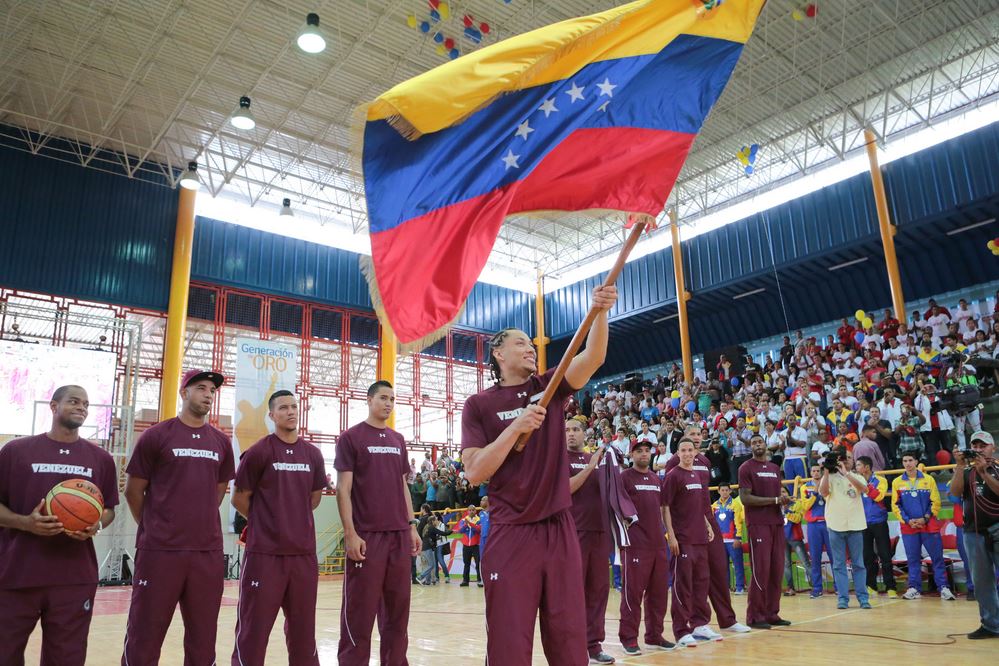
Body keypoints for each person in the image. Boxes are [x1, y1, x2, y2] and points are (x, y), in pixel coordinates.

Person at [460, 285, 616, 666]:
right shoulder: (479, 405)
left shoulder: (548, 387)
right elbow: (476, 471)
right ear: (498, 353)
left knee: (568, 638)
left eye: (531, 343)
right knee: (509, 643)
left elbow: (593, 356)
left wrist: (600, 312)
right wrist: (516, 428)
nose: (530, 348)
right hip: (512, 531)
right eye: (520, 343)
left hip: (560, 528)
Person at [122, 369, 235, 666]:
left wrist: (197, 519)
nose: (208, 394)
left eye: (212, 390)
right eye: (200, 388)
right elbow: (134, 491)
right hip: (160, 551)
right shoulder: (156, 436)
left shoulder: (221, 443)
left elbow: (219, 490)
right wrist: (153, 526)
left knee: (202, 637)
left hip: (206, 551)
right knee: (145, 634)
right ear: (184, 392)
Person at [0, 385, 118, 666]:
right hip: (17, 573)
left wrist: (95, 524)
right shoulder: (15, 451)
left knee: (66, 659)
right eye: (74, 401)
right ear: (53, 407)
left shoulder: (101, 459)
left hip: (74, 577)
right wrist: (26, 523)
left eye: (86, 404)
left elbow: (109, 510)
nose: (81, 408)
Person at [230, 390, 326, 665]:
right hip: (264, 555)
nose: (291, 411)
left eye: (294, 406)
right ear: (271, 415)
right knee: (253, 630)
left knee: (303, 634)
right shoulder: (259, 452)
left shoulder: (313, 454)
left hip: (303, 556)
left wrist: (290, 517)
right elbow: (239, 498)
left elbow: (314, 499)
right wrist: (267, 520)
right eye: (283, 408)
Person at [335, 380, 421, 665]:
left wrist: (411, 525)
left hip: (398, 536)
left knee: (397, 615)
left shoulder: (398, 440)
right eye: (383, 398)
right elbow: (343, 489)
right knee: (359, 615)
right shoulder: (351, 438)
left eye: (392, 399)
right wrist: (350, 533)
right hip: (367, 538)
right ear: (369, 400)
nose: (388, 403)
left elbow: (403, 486)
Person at [619, 440, 674, 655]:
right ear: (631, 454)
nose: (644, 454)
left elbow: (664, 509)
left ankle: (654, 635)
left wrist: (670, 535)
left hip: (658, 544)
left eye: (646, 451)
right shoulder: (624, 478)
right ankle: (629, 639)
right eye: (639, 451)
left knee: (659, 593)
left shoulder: (655, 478)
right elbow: (616, 507)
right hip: (636, 545)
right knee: (632, 594)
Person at [566, 419, 614, 664]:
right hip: (573, 533)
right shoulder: (558, 459)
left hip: (600, 532)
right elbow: (565, 489)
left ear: (585, 434)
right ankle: (572, 647)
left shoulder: (597, 460)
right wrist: (591, 466)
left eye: (575, 429)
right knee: (573, 593)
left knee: (598, 591)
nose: (571, 434)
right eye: (567, 430)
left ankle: (593, 646)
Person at [662, 439, 715, 648]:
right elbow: (664, 507)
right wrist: (671, 536)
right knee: (682, 586)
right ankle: (681, 630)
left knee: (701, 582)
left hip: (700, 538)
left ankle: (699, 624)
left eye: (690, 450)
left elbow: (700, 506)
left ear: (696, 452)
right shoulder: (673, 475)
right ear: (677, 453)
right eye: (683, 450)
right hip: (682, 539)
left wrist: (707, 525)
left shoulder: (699, 475)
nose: (686, 453)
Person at [739, 434, 792, 629]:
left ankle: (772, 613)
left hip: (776, 523)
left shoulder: (774, 468)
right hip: (758, 524)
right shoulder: (745, 468)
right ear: (750, 447)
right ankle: (755, 616)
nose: (757, 445)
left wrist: (783, 500)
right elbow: (746, 499)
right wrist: (775, 501)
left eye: (759, 441)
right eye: (753, 443)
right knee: (760, 570)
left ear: (765, 444)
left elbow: (777, 495)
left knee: (776, 570)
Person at [950, 432, 999, 639]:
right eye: (975, 445)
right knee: (981, 582)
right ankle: (991, 625)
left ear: (992, 448)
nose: (979, 449)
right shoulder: (966, 471)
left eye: (983, 445)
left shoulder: (996, 468)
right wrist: (960, 466)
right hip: (973, 532)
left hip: (997, 529)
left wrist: (985, 474)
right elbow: (954, 492)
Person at [891, 453, 955, 600]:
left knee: (936, 558)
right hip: (909, 527)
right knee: (912, 560)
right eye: (905, 461)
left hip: (929, 525)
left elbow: (935, 502)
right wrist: (908, 521)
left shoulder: (929, 479)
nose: (907, 463)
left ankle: (943, 588)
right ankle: (914, 588)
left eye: (910, 460)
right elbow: (895, 505)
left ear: (916, 462)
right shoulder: (897, 482)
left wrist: (925, 518)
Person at [818, 451, 870, 609]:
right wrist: (826, 471)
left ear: (852, 461)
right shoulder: (829, 477)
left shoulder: (857, 476)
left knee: (859, 564)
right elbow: (824, 492)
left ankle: (863, 598)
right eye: (842, 459)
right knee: (839, 565)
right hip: (835, 526)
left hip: (855, 525)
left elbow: (864, 489)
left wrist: (846, 473)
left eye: (848, 459)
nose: (845, 461)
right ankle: (842, 599)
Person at [855, 456, 895, 597]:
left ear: (866, 467)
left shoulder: (881, 480)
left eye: (859, 465)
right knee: (867, 556)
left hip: (879, 521)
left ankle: (890, 587)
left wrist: (864, 488)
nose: (856, 468)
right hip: (863, 523)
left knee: (885, 555)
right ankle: (871, 585)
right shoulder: (855, 481)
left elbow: (878, 496)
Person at [712, 484, 745, 595]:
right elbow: (712, 524)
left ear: (730, 491)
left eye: (727, 490)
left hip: (732, 540)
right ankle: (725, 587)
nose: (725, 492)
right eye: (722, 490)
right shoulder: (714, 506)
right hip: (720, 541)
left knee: (737, 564)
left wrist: (738, 537)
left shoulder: (735, 504)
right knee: (722, 565)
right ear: (718, 491)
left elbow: (738, 522)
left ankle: (740, 587)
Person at [781, 487, 810, 596]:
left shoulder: (796, 504)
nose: (782, 495)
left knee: (805, 562)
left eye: (784, 492)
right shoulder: (775, 506)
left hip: (794, 537)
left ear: (788, 493)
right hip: (782, 539)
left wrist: (786, 510)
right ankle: (790, 588)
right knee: (786, 564)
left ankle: (817, 587)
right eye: (779, 493)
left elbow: (797, 519)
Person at [454, 506, 482, 587]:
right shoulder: (463, 520)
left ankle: (479, 580)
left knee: (478, 564)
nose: (471, 511)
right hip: (466, 545)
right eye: (470, 510)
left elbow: (478, 530)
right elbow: (460, 531)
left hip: (476, 545)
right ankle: (465, 580)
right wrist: (466, 525)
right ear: (467, 511)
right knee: (466, 564)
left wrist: (470, 524)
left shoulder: (479, 519)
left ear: (475, 511)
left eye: (473, 510)